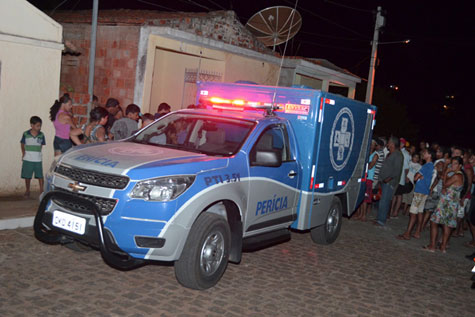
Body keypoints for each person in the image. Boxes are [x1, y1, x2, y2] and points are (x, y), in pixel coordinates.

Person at [424, 156, 464, 253]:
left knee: (434, 222)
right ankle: (443, 247)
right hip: (452, 204)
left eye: (455, 164)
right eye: (452, 163)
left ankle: (432, 246)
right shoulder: (459, 175)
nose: (453, 166)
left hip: (446, 203)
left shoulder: (457, 175)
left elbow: (445, 184)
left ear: (460, 165)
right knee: (447, 225)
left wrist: (446, 172)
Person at [397, 149, 435, 240]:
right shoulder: (431, 166)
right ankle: (417, 232)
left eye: (425, 153)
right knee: (420, 212)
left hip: (420, 191)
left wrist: (418, 176)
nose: (423, 154)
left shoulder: (426, 166)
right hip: (424, 191)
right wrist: (419, 176)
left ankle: (407, 233)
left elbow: (415, 177)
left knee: (413, 212)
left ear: (429, 155)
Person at [374, 136, 404, 226]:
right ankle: (380, 218)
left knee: (385, 201)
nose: (388, 144)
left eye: (389, 142)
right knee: (382, 200)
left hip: (389, 182)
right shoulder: (390, 153)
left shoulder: (398, 155)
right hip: (384, 181)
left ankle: (381, 220)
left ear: (393, 144)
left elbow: (397, 170)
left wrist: (388, 179)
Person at [354, 139, 379, 221]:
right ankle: (360, 214)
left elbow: (371, 166)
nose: (371, 145)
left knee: (366, 197)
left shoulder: (375, 155)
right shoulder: (366, 153)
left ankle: (363, 215)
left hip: (369, 178)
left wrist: (363, 164)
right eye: (370, 143)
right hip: (363, 176)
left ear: (375, 146)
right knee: (361, 196)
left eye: (373, 144)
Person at [20, 116, 46, 197]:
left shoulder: (41, 135)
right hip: (28, 158)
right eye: (37, 126)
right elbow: (22, 144)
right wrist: (23, 153)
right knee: (27, 176)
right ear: (32, 125)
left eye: (40, 126)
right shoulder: (26, 134)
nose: (39, 128)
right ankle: (27, 190)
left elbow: (41, 145)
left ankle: (41, 190)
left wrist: (38, 153)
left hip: (38, 159)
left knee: (40, 175)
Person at [389, 137, 411, 218]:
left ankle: (395, 211)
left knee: (399, 195)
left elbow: (406, 168)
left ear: (403, 144)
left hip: (401, 177)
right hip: (394, 176)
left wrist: (405, 178)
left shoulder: (405, 154)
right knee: (394, 194)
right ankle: (391, 210)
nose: (400, 144)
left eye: (401, 143)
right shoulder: (396, 151)